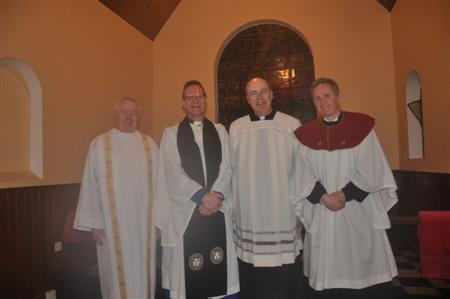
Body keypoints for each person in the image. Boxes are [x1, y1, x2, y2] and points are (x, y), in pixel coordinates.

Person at [295, 77, 398, 299]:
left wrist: (343, 194)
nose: (323, 102)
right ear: (314, 103)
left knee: (361, 269)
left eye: (327, 95)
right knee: (328, 274)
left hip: (356, 210)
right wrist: (323, 197)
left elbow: (372, 169)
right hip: (324, 212)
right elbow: (301, 174)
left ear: (338, 96)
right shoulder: (305, 135)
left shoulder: (362, 128)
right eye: (317, 99)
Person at [155, 80, 239, 299]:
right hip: (187, 212)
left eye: (199, 96)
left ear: (206, 100)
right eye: (190, 97)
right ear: (183, 103)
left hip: (217, 211)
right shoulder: (171, 134)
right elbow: (172, 172)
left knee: (219, 271)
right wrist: (203, 197)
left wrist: (217, 196)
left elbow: (227, 167)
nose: (195, 101)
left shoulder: (220, 131)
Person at [73, 97, 159, 299]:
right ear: (115, 115)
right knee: (115, 280)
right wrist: (94, 223)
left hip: (143, 229)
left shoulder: (149, 145)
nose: (129, 117)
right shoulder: (100, 145)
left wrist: (159, 222)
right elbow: (89, 186)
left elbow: (160, 187)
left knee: (143, 277)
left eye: (133, 113)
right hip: (111, 229)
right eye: (124, 112)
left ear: (139, 117)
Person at [229, 77, 302, 299]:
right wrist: (233, 209)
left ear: (271, 94)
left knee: (283, 273)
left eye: (263, 92)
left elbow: (301, 170)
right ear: (247, 99)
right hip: (249, 214)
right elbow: (229, 170)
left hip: (282, 211)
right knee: (252, 273)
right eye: (253, 93)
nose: (259, 97)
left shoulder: (291, 125)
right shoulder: (237, 127)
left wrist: (299, 207)